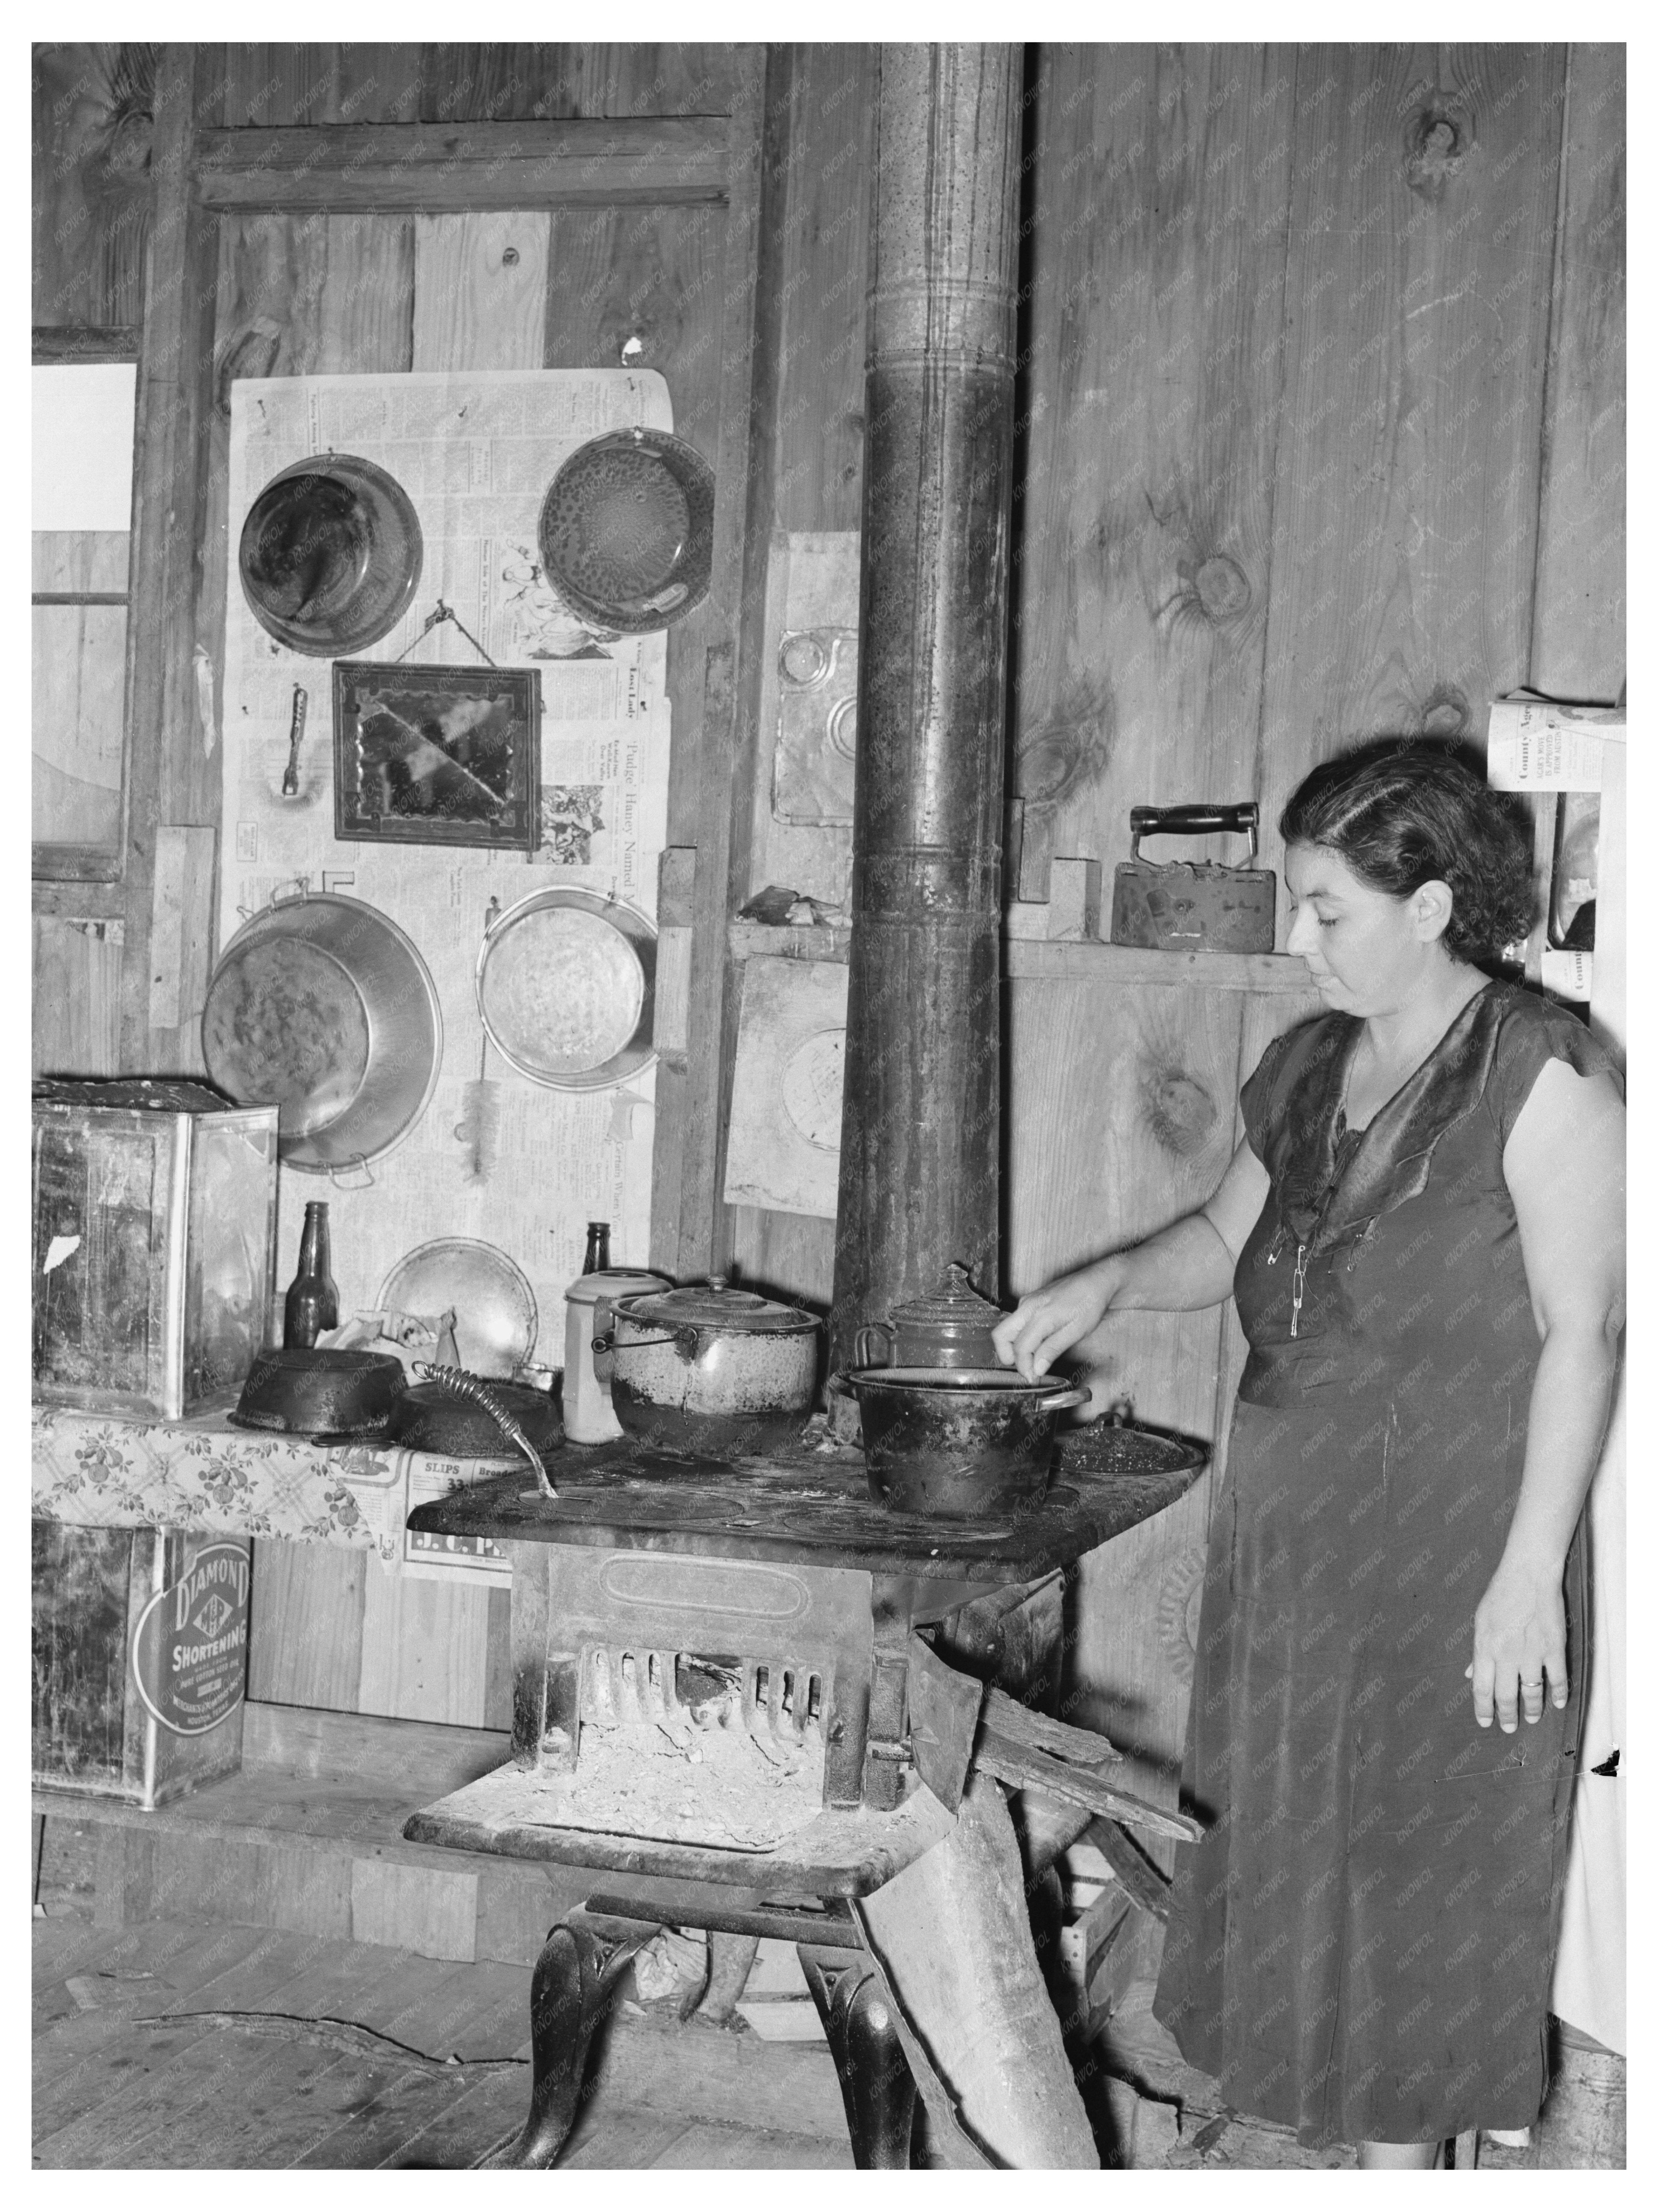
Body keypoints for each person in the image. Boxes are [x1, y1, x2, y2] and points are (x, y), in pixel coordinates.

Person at [991, 740, 1625, 2166]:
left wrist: (1528, 1575)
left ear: (1433, 908)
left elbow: (1581, 1338)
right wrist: (1099, 1282)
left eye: (1324, 909)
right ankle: (1329, 2149)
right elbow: (1222, 1239)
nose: (1295, 939)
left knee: (1419, 1867)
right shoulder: (1303, 1067)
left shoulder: (1543, 1074)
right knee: (1298, 1852)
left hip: (1455, 1542)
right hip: (1291, 1541)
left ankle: (1401, 2167)